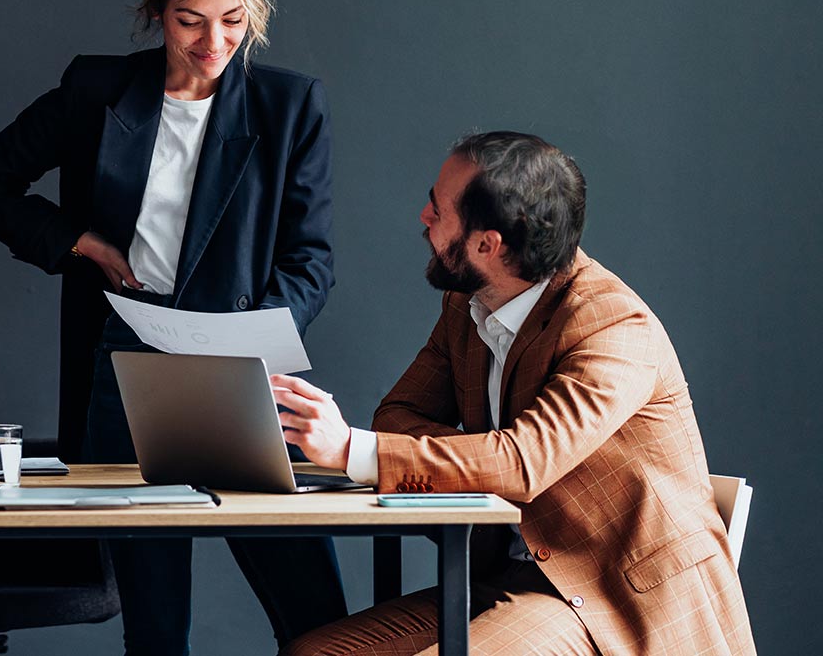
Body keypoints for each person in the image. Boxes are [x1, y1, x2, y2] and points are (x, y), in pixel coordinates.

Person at [0, 0, 344, 655]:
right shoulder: (97, 91)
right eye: (189, 21)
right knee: (156, 626)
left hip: (237, 368)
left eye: (233, 19)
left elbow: (312, 261)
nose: (214, 44)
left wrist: (255, 336)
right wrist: (79, 241)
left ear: (254, 4)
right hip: (124, 365)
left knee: (316, 617)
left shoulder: (289, 106)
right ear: (155, 8)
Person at [273, 132, 756, 655]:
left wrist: (351, 450)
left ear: (488, 245)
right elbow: (399, 414)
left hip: (610, 600)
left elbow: (524, 464)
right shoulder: (469, 305)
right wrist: (488, 458)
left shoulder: (613, 325)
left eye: (439, 210)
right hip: (504, 580)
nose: (423, 217)